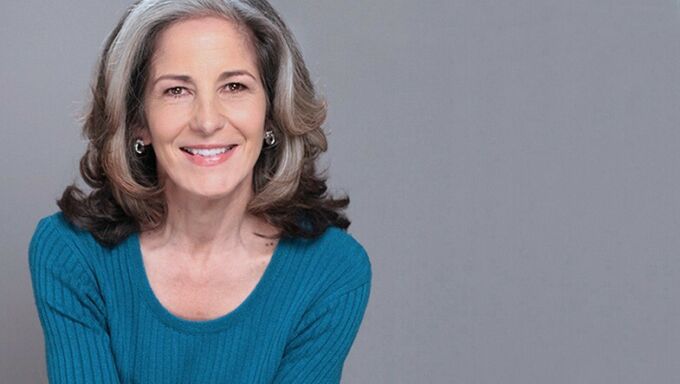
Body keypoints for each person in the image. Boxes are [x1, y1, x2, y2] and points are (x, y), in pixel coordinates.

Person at [28, 1, 371, 383]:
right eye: (176, 90)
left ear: (271, 113)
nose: (207, 121)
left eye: (235, 86)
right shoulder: (72, 253)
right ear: (138, 121)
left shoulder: (330, 270)